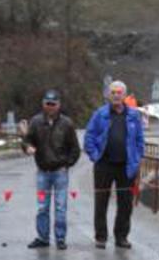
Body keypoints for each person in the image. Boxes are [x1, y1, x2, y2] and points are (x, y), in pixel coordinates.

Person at [84, 80, 145, 249]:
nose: (116, 95)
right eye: (113, 92)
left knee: (125, 204)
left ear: (125, 95)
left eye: (119, 92)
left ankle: (121, 237)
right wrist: (95, 156)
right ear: (108, 95)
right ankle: (101, 237)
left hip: (126, 166)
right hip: (104, 165)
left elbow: (140, 140)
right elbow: (89, 136)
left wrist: (137, 157)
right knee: (101, 202)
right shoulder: (100, 114)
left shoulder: (134, 115)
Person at [21, 89, 82, 250]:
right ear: (43, 104)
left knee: (61, 207)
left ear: (59, 105)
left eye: (53, 104)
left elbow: (75, 149)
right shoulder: (35, 122)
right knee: (42, 207)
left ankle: (60, 239)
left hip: (60, 174)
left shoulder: (67, 124)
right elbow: (27, 141)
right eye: (47, 104)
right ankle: (43, 238)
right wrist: (27, 147)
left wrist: (66, 165)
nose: (50, 107)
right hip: (42, 173)